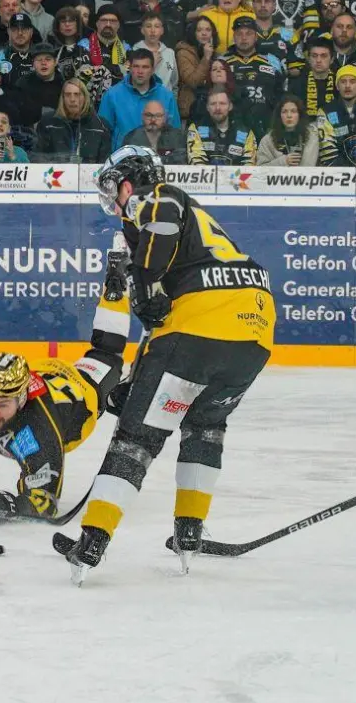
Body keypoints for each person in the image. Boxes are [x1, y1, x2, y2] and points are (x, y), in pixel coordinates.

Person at [60, 146, 275, 584]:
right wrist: (138, 378)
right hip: (255, 333)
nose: (113, 201)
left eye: (112, 188)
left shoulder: (157, 196)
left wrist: (141, 283)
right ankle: (189, 532)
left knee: (137, 439)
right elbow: (167, 323)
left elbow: (162, 222)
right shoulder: (200, 233)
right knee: (205, 427)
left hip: (201, 327)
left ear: (128, 180)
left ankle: (93, 539)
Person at [0, 249, 128, 523]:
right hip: (39, 372)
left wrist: (6, 503)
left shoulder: (39, 432)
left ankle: (117, 280)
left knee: (107, 355)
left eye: (2, 404)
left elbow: (44, 504)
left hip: (79, 385)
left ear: (21, 401)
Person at [99, 47, 178, 149]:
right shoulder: (112, 95)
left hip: (157, 157)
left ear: (153, 70)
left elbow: (175, 133)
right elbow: (103, 133)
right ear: (130, 68)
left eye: (145, 67)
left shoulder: (167, 96)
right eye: (136, 66)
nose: (140, 71)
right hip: (122, 158)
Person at [33, 79, 111, 162]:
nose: (72, 99)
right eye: (68, 95)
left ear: (85, 97)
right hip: (55, 173)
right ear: (62, 98)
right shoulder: (48, 123)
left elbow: (104, 162)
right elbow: (38, 157)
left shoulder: (101, 125)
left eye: (77, 94)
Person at [255, 95, 321, 166]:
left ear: (300, 115)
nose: (289, 115)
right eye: (284, 111)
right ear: (279, 115)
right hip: (277, 177)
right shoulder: (267, 140)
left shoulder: (312, 138)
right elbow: (260, 171)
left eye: (293, 111)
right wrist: (283, 161)